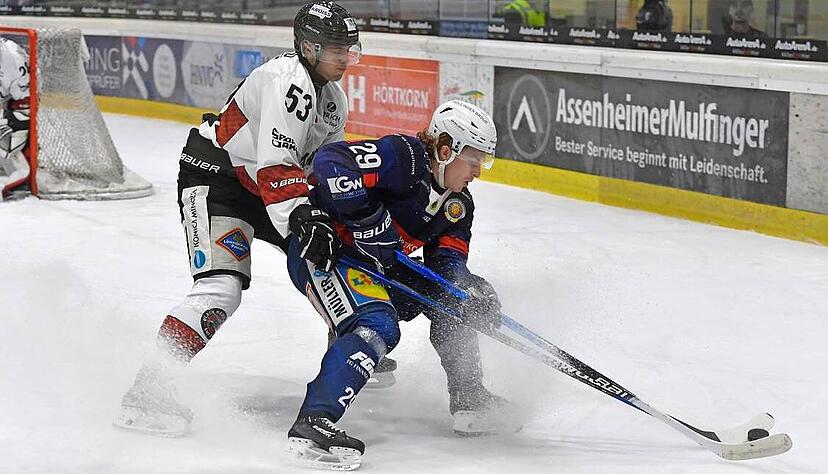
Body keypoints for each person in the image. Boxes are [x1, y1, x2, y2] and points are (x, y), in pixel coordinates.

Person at [113, 2, 364, 437]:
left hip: (260, 186)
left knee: (336, 254)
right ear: (309, 46)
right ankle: (148, 390)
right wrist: (304, 218)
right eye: (336, 48)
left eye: (350, 48)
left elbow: (324, 168)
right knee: (220, 290)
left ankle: (350, 345)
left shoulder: (334, 100)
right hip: (216, 180)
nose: (345, 57)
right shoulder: (288, 82)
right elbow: (275, 168)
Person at [283, 100, 507, 469]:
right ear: (447, 148)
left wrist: (470, 289)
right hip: (328, 255)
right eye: (474, 159)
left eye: (484, 161)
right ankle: (312, 424)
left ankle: (470, 399)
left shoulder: (458, 206)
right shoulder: (403, 157)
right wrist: (368, 220)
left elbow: (447, 265)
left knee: (455, 303)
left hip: (379, 268)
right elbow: (331, 161)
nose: (478, 172)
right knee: (378, 324)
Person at [0, 36, 32, 200]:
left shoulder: (12, 57)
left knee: (5, 131)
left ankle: (19, 173)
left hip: (16, 109)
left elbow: (25, 101)